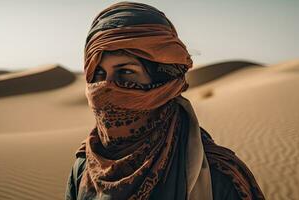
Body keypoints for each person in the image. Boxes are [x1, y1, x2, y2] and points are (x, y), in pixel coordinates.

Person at [65, 2, 265, 200]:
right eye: (98, 74)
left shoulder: (217, 177)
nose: (106, 86)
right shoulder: (84, 167)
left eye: (126, 72)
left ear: (163, 81)